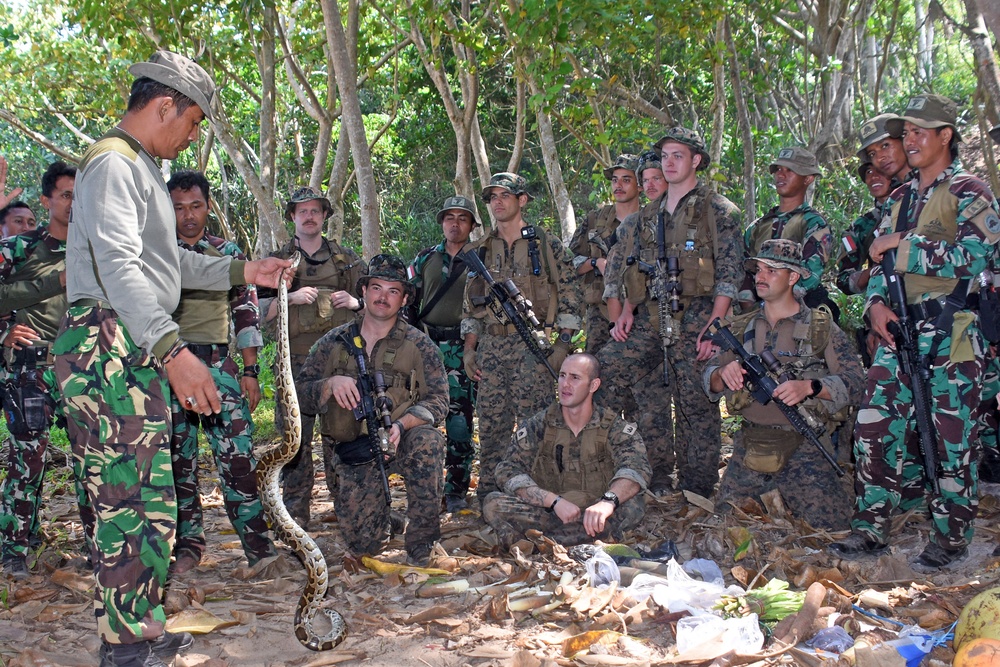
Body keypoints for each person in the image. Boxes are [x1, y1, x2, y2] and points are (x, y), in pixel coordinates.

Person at [52, 51, 290, 667]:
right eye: (193, 121)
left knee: (151, 497)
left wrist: (243, 270)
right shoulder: (111, 163)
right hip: (110, 341)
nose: (192, 134)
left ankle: (138, 631)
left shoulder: (140, 171)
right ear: (165, 106)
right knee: (125, 500)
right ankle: (125, 649)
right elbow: (120, 268)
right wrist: (174, 350)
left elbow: (168, 263)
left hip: (130, 342)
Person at [829, 94, 1000, 572]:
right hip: (900, 331)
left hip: (953, 331)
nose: (910, 141)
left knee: (950, 438)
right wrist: (876, 305)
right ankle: (870, 528)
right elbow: (878, 268)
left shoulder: (971, 191)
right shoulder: (901, 199)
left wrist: (902, 245)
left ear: (946, 135)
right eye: (906, 133)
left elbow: (978, 256)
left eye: (920, 132)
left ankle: (950, 539)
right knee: (873, 426)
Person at [598, 127, 743, 497]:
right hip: (650, 317)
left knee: (696, 403)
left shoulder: (719, 210)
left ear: (696, 160)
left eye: (678, 155)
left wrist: (716, 324)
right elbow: (636, 266)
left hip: (698, 317)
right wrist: (628, 309)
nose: (670, 162)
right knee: (606, 371)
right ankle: (632, 468)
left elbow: (729, 271)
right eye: (665, 156)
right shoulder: (647, 216)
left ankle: (697, 488)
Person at [297, 255, 448, 567]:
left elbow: (439, 401)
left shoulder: (419, 345)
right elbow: (297, 394)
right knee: (365, 545)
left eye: (393, 291)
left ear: (405, 299)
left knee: (429, 442)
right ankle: (383, 519)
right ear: (363, 291)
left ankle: (422, 540)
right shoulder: (333, 342)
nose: (383, 297)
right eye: (376, 287)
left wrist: (403, 425)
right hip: (352, 450)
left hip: (401, 439)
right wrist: (329, 385)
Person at [705, 240, 863, 529]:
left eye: (772, 270)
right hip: (752, 444)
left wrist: (810, 387)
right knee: (724, 526)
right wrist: (722, 374)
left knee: (833, 529)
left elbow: (855, 382)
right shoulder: (740, 327)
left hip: (805, 443)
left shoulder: (821, 326)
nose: (760, 277)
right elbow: (709, 380)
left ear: (793, 277)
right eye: (758, 270)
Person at [166, 170, 276, 573]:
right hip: (170, 366)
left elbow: (245, 311)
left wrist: (251, 370)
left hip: (218, 367)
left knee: (239, 461)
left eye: (195, 206)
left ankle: (259, 550)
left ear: (208, 206)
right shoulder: (157, 251)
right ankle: (188, 548)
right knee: (179, 463)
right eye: (178, 208)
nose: (188, 215)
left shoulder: (226, 250)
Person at [462, 172, 582, 507]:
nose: (498, 202)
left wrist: (562, 346)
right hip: (493, 348)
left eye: (505, 195)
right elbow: (471, 307)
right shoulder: (481, 249)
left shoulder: (546, 245)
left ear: (522, 200)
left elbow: (571, 294)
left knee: (537, 424)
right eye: (493, 197)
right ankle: (490, 492)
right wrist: (470, 351)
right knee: (492, 425)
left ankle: (539, 494)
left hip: (534, 346)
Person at [0, 161, 94, 580]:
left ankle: (101, 548)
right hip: (31, 367)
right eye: (66, 195)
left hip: (86, 366)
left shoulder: (97, 247)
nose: (74, 204)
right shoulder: (20, 248)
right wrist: (4, 331)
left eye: (81, 195)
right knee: (29, 458)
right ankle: (14, 548)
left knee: (93, 458)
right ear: (47, 200)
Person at [259, 186, 365, 528]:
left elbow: (383, 301)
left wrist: (355, 303)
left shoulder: (346, 261)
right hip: (294, 367)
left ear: (324, 216)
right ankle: (295, 519)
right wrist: (288, 297)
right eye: (302, 211)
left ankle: (349, 512)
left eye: (315, 210)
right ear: (292, 217)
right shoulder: (276, 262)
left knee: (342, 439)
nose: (309, 216)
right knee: (295, 444)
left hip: (339, 366)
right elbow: (256, 312)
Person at [483, 353, 650, 548]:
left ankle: (542, 542)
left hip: (595, 512)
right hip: (549, 513)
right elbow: (508, 470)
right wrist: (553, 501)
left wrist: (607, 502)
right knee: (493, 504)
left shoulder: (613, 427)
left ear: (593, 385)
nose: (565, 384)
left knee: (633, 506)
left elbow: (636, 469)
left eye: (575, 378)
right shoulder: (539, 424)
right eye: (562, 376)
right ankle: (578, 539)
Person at [408, 196, 479, 513]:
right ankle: (424, 490)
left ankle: (456, 491)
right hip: (427, 349)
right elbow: (408, 303)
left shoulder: (481, 260)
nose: (455, 223)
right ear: (441, 223)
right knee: (418, 421)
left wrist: (473, 350)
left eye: (462, 218)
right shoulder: (424, 259)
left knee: (460, 424)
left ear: (472, 226)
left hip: (465, 350)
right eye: (449, 217)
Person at [740, 147, 836, 320]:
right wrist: (749, 304)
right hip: (756, 315)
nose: (781, 175)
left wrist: (778, 303)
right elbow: (743, 268)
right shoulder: (759, 225)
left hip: (799, 313)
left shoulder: (814, 224)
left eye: (790, 170)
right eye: (778, 170)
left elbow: (810, 275)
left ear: (808, 178)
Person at [568, 154, 642, 353]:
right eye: (614, 180)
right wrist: (596, 263)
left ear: (640, 185)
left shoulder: (649, 222)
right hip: (599, 314)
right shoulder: (594, 220)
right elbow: (568, 263)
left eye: (626, 180)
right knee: (596, 369)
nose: (619, 185)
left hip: (640, 310)